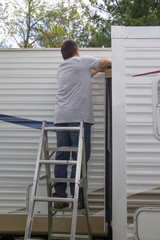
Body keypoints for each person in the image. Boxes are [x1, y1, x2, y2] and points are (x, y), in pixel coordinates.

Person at [53, 40, 111, 209]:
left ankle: (59, 197)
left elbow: (81, 78)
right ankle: (78, 199)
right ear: (77, 50)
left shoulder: (62, 68)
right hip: (79, 119)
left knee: (62, 158)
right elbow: (105, 62)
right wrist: (105, 65)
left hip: (61, 118)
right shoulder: (83, 61)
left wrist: (94, 72)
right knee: (80, 159)